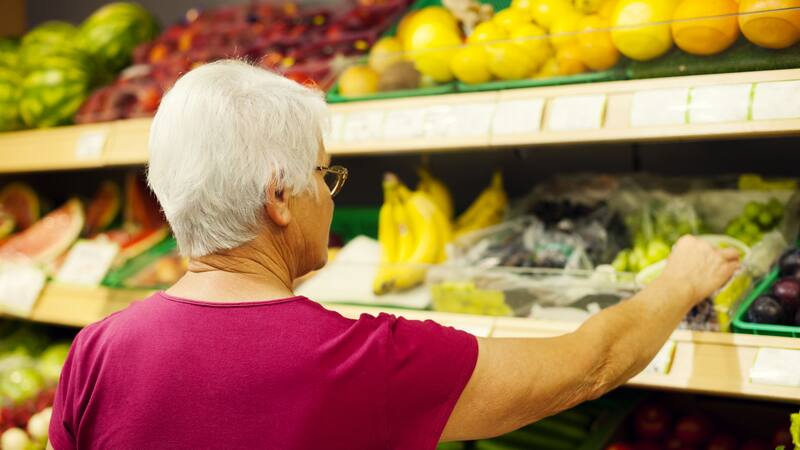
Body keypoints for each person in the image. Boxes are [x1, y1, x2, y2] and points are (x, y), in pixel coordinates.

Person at [48, 60, 740, 450]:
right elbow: (589, 367)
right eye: (325, 176)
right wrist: (678, 282)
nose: (330, 193)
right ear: (280, 196)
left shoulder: (97, 351)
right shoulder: (363, 360)